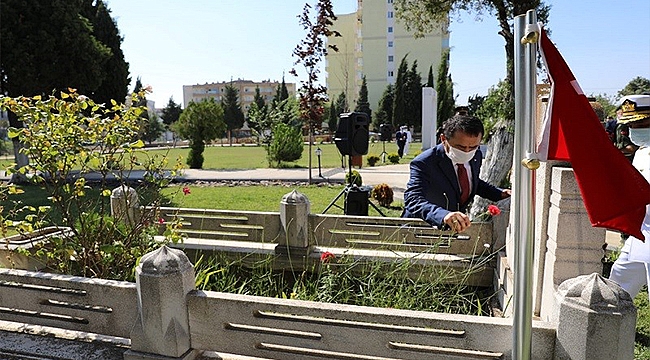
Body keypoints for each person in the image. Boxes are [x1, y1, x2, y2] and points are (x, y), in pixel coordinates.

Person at [402, 114, 511, 232]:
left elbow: (470, 182)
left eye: (473, 147)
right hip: (420, 230)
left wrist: (499, 193)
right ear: (444, 139)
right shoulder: (424, 162)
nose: (467, 152)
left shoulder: (476, 155)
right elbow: (412, 199)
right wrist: (442, 215)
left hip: (452, 231)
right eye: (461, 147)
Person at [609, 94, 650, 299]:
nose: (632, 131)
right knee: (618, 283)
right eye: (631, 125)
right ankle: (612, 330)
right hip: (643, 232)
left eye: (640, 123)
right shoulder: (642, 152)